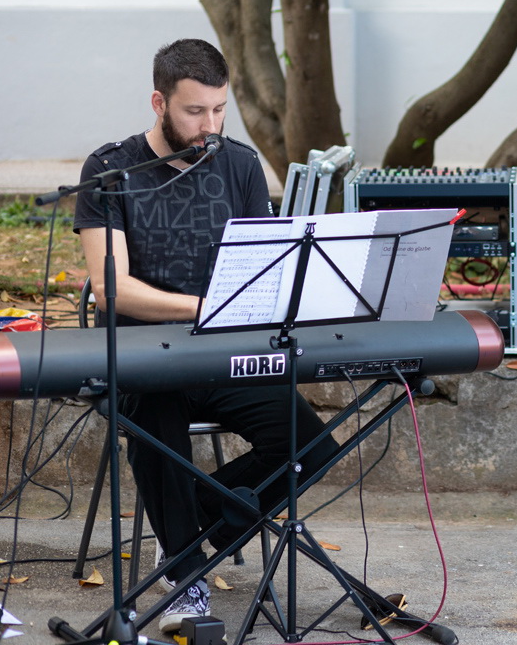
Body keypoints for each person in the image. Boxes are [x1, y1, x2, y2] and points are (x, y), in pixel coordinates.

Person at [73, 38, 338, 632]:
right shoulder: (110, 169)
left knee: (313, 446)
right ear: (159, 103)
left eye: (220, 111)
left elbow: (263, 272)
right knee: (156, 427)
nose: (209, 126)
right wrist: (206, 306)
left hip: (224, 354)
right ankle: (187, 567)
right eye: (195, 112)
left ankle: (187, 538)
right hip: (142, 356)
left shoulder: (240, 165)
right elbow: (115, 288)